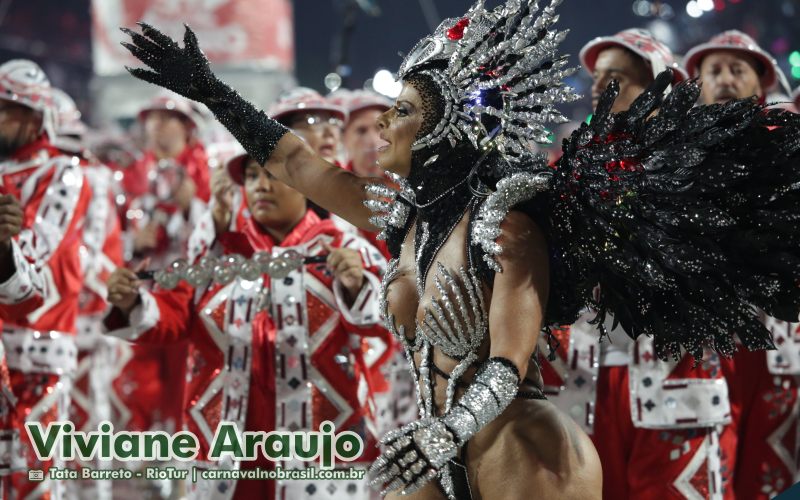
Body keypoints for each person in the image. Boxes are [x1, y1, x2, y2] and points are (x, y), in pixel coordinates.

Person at [120, 0, 800, 497]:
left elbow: (506, 365)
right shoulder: (401, 215)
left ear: (449, 127)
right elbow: (304, 167)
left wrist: (445, 436)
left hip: (521, 447)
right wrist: (214, 93)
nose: (383, 121)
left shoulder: (507, 225)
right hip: (434, 442)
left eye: (405, 110)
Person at [105, 149, 387, 499]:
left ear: (306, 184)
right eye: (252, 176)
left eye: (274, 175)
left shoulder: (342, 249)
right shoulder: (220, 255)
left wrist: (356, 285)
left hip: (319, 448)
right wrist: (130, 301)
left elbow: (383, 325)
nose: (261, 186)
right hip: (229, 450)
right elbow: (173, 317)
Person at [543, 29, 737, 500]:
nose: (600, 88)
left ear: (658, 89)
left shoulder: (701, 164)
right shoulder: (564, 172)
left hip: (674, 381)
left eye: (617, 77)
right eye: (596, 78)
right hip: (584, 385)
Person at [685, 31, 800, 499]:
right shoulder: (673, 157)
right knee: (712, 465)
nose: (726, 80)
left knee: (774, 467)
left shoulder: (791, 149)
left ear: (761, 81)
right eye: (714, 71)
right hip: (704, 345)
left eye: (738, 69)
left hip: (779, 340)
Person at [0, 59, 92, 499]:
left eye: (6, 108)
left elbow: (38, 248)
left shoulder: (63, 174)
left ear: (36, 117)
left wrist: (6, 240)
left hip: (40, 342)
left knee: (36, 475)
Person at [51, 86, 123, 500]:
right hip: (55, 314)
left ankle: (93, 493)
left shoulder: (89, 179)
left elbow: (89, 252)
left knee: (88, 410)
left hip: (84, 313)